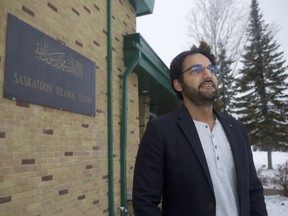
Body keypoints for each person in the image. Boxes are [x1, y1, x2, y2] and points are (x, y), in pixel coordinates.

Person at [132, 47, 267, 216]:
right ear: (178, 84)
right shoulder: (160, 131)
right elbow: (144, 201)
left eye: (212, 69)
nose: (208, 75)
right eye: (196, 70)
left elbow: (252, 190)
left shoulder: (237, 128)